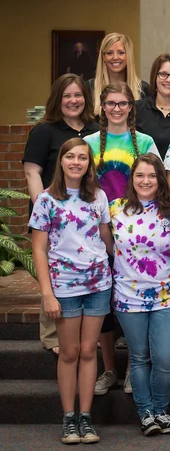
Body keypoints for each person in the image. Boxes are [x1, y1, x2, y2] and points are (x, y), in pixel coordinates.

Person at [30, 138, 113, 445]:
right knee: (70, 353)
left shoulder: (99, 197)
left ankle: (86, 417)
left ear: (89, 164)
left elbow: (107, 241)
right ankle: (68, 418)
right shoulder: (47, 200)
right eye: (70, 157)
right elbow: (39, 250)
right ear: (61, 161)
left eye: (82, 157)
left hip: (98, 285)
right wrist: (47, 294)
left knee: (90, 351)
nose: (76, 162)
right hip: (64, 288)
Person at [84, 82, 160, 397]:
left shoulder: (144, 141)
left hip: (137, 236)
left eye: (123, 103)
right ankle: (109, 370)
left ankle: (134, 368)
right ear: (103, 106)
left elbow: (156, 186)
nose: (117, 108)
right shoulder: (88, 143)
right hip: (96, 234)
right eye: (111, 103)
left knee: (134, 305)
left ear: (132, 107)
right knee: (103, 306)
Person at [23, 74, 99, 358]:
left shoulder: (94, 129)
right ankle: (51, 333)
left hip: (86, 215)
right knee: (54, 272)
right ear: (58, 99)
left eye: (78, 95)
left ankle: (80, 331)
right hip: (52, 216)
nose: (73, 101)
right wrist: (45, 209)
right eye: (67, 96)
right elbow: (32, 172)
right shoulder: (45, 131)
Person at [110, 154, 170, 436]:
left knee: (164, 358)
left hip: (166, 295)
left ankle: (161, 410)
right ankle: (146, 413)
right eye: (140, 175)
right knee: (139, 357)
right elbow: (105, 245)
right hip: (128, 295)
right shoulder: (115, 209)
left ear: (160, 179)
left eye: (152, 175)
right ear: (132, 178)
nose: (146, 181)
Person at [87, 33, 148, 108]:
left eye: (121, 53)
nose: (115, 57)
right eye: (109, 53)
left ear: (128, 56)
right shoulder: (89, 88)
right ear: (103, 58)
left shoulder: (144, 90)